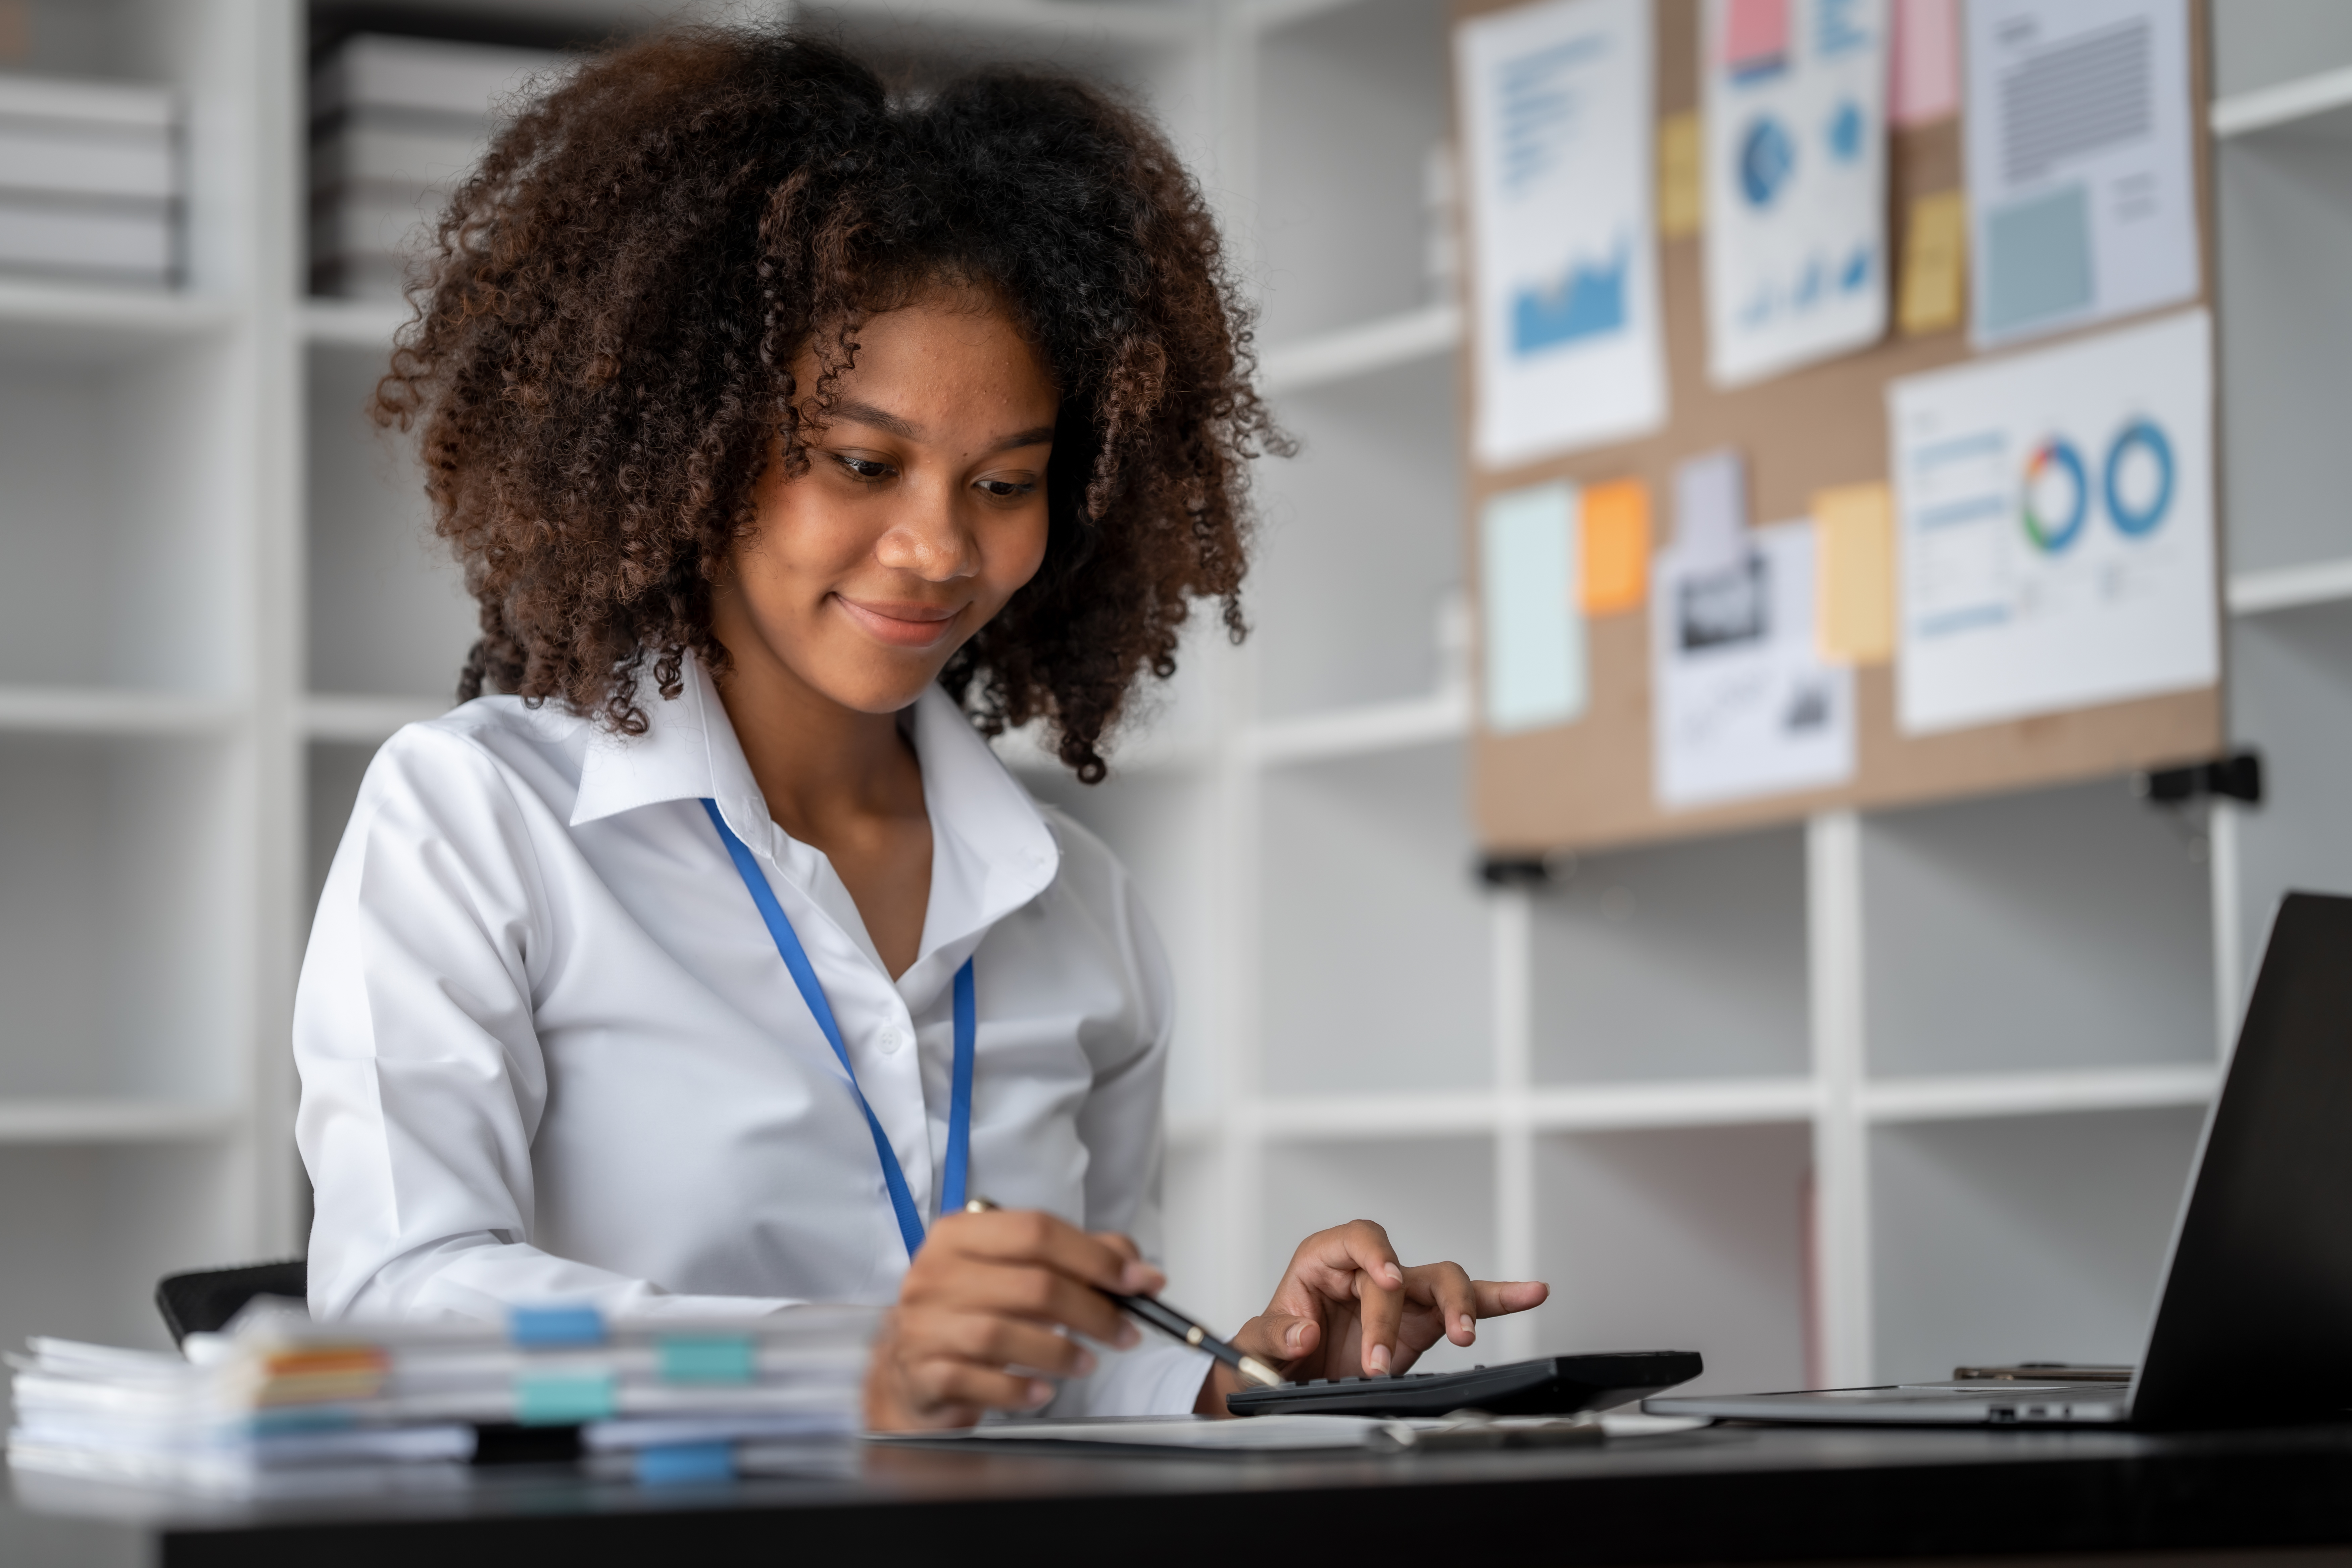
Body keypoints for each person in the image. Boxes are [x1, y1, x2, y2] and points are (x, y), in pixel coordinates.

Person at [293, 24, 1547, 1430]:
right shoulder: (476, 823)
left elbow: (1061, 1367)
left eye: (1005, 482)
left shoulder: (1078, 907)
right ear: (687, 442)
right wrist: (858, 1365)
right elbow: (400, 1303)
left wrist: (1233, 1373)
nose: (936, 546)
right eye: (863, 462)